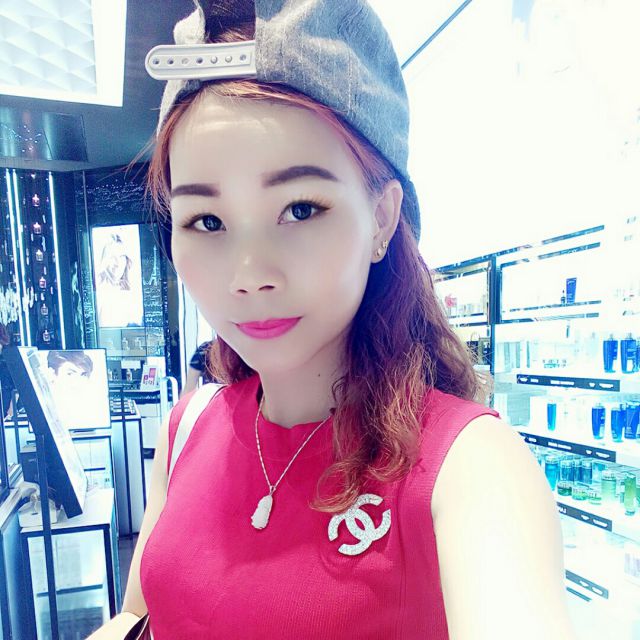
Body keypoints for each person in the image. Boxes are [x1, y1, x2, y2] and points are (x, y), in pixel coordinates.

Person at [89, 2, 577, 638]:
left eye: (299, 209)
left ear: (381, 217)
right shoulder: (188, 428)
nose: (248, 274)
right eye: (206, 221)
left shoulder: (468, 465)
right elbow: (139, 615)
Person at [95, 233, 144, 327]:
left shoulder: (133, 293)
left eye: (121, 257)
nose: (117, 263)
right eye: (112, 258)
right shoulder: (97, 292)